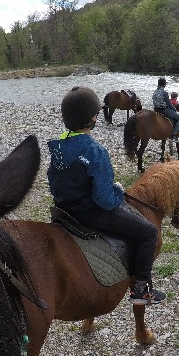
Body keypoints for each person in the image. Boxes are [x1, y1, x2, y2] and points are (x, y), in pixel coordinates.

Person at [47, 86, 166, 305]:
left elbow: (54, 182)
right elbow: (105, 200)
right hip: (91, 215)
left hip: (64, 212)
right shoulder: (94, 151)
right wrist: (118, 190)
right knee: (149, 232)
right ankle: (142, 289)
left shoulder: (57, 147)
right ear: (93, 118)